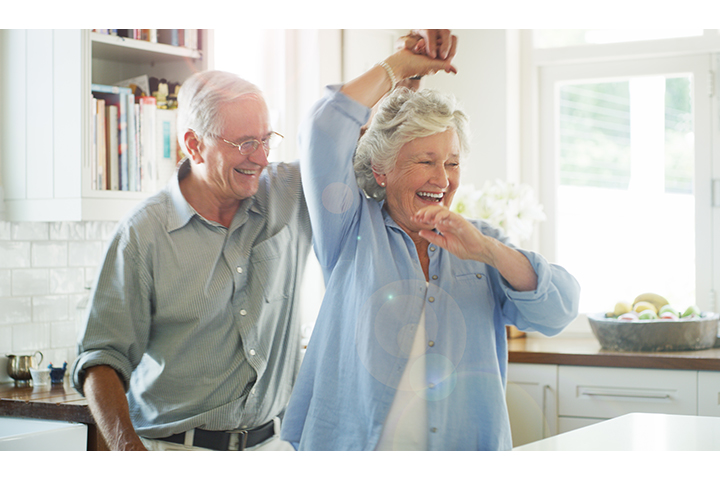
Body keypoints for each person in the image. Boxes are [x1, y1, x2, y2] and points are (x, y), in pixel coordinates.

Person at [280, 34, 581, 450]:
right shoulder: (351, 229)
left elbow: (560, 309)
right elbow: (324, 128)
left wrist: (488, 251)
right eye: (425, 162)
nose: (442, 180)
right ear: (382, 170)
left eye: (452, 163)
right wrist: (398, 67)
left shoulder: (479, 243)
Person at [71, 70, 312, 451]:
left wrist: (401, 70)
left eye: (266, 140)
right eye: (247, 143)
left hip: (274, 447)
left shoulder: (290, 193)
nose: (262, 158)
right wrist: (127, 452)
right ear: (194, 145)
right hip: (176, 450)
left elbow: (352, 142)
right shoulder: (143, 234)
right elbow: (102, 358)